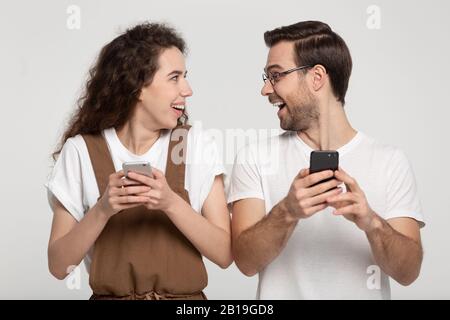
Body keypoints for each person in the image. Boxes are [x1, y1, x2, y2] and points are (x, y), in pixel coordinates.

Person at [228, 21, 424, 299]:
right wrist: (287, 211)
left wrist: (371, 222)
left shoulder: (390, 161)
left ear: (317, 77)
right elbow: (246, 263)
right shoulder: (254, 158)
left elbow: (409, 272)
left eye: (276, 76)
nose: (266, 90)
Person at [46, 22, 232, 300]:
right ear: (139, 86)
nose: (188, 89)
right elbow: (59, 267)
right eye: (175, 77)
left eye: (185, 76)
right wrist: (103, 209)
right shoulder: (80, 151)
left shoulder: (196, 145)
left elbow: (224, 254)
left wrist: (170, 203)